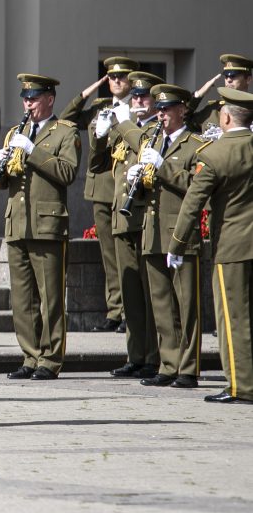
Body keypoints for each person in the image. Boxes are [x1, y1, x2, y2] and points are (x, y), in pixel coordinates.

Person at [168, 87, 253, 405]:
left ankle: (240, 386)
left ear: (227, 116)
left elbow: (193, 203)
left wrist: (177, 243)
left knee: (231, 319)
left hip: (231, 246)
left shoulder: (215, 154)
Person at [117, 83, 203, 388]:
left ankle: (189, 368)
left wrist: (163, 167)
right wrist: (134, 182)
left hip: (180, 234)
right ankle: (168, 364)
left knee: (186, 304)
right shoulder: (153, 142)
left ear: (182, 110)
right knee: (162, 304)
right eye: (160, 109)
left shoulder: (196, 145)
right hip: (152, 232)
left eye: (167, 109)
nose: (161, 114)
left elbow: (197, 186)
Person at [0, 74, 80, 381]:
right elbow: (6, 182)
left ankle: (50, 358)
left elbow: (67, 171)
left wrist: (32, 151)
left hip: (47, 224)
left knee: (51, 297)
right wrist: (0, 165)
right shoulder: (16, 132)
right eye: (25, 98)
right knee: (22, 297)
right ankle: (30, 356)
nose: (27, 103)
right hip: (18, 223)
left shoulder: (65, 133)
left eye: (33, 98)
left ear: (49, 99)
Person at [60, 57, 139, 333]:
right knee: (108, 254)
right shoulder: (99, 107)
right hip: (100, 189)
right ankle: (115, 310)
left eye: (122, 77)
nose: (116, 81)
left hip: (125, 188)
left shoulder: (137, 110)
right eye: (111, 77)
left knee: (126, 254)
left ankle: (131, 311)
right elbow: (66, 118)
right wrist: (88, 91)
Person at [92, 72, 161, 380]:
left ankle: (155, 356)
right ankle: (136, 354)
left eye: (143, 97)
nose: (137, 101)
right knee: (131, 291)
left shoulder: (154, 129)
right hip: (123, 217)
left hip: (146, 218)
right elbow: (97, 167)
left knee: (150, 293)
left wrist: (123, 124)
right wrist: (99, 136)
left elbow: (146, 146)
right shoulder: (125, 127)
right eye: (135, 96)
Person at [188, 54, 253, 134]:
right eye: (226, 76)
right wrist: (198, 95)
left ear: (248, 79)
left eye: (233, 76)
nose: (228, 80)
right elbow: (183, 122)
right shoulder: (213, 111)